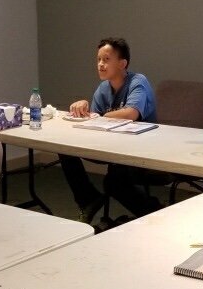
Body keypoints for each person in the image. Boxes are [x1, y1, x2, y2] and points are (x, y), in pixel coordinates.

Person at [60, 37, 161, 223]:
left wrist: (97, 116)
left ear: (122, 63)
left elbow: (131, 113)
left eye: (106, 60)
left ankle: (156, 214)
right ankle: (87, 198)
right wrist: (83, 108)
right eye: (98, 59)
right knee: (64, 148)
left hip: (141, 150)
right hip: (112, 147)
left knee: (114, 182)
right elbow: (95, 120)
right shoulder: (103, 88)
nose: (100, 64)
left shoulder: (138, 82)